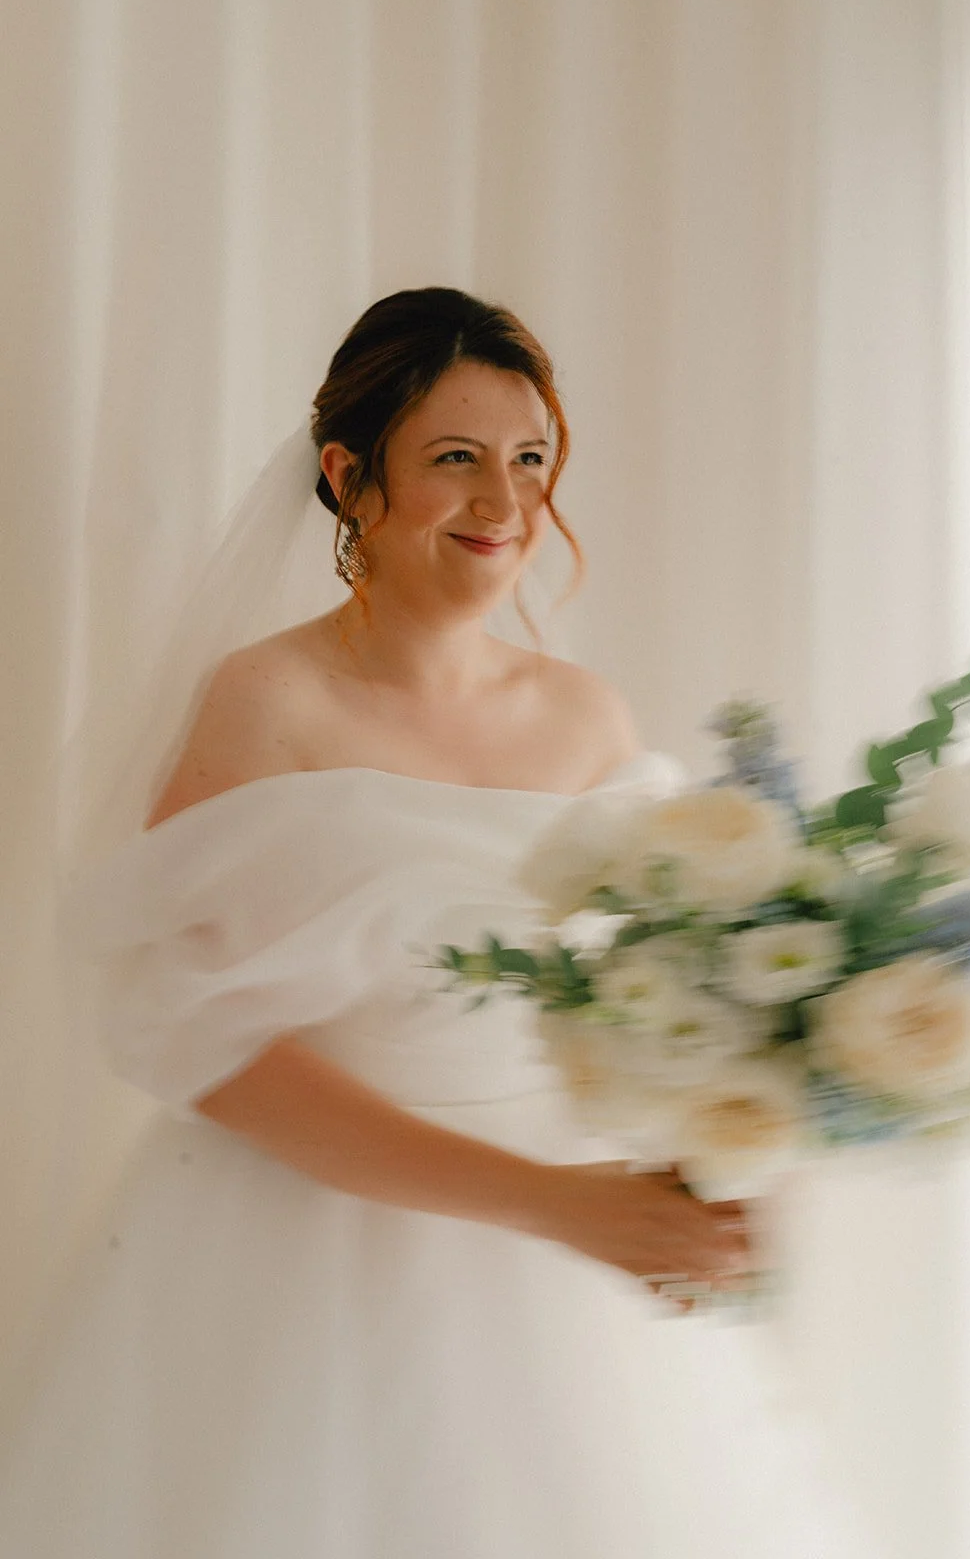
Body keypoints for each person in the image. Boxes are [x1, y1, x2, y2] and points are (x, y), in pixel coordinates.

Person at [0, 287, 885, 1556]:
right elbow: (209, 1052)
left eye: (530, 461)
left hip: (568, 1285)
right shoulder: (266, 704)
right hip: (303, 1263)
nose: (504, 504)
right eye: (455, 460)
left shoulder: (587, 718)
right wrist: (548, 1204)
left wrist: (720, 1155)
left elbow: (654, 1006)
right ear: (349, 475)